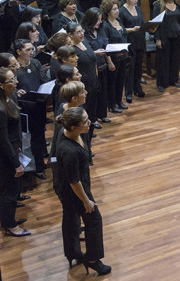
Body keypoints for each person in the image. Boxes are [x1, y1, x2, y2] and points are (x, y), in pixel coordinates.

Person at [54, 107, 111, 275]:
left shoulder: (74, 133)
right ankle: (93, 260)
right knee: (94, 220)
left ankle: (72, 253)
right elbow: (74, 181)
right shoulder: (69, 151)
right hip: (75, 191)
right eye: (85, 122)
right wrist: (86, 201)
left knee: (71, 219)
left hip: (74, 186)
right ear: (73, 127)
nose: (89, 123)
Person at [13, 39, 50, 179]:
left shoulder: (35, 63)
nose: (31, 52)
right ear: (18, 52)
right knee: (26, 140)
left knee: (39, 137)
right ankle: (28, 169)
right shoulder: (14, 68)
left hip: (38, 105)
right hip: (23, 109)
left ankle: (40, 166)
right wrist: (16, 92)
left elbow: (43, 81)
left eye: (32, 49)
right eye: (27, 49)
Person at [0, 67, 29, 236]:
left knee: (10, 189)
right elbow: (2, 140)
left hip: (12, 148)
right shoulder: (1, 109)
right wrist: (16, 163)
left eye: (14, 78)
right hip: (6, 157)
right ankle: (10, 225)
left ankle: (8, 218)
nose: (15, 82)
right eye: (11, 80)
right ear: (1, 85)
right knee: (9, 191)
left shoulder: (8, 99)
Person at [66, 22, 100, 150]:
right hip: (81, 89)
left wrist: (96, 78)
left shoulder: (85, 43)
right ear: (70, 35)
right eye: (78, 32)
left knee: (91, 116)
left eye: (82, 31)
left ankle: (88, 144)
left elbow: (93, 62)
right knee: (82, 118)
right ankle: (82, 146)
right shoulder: (71, 49)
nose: (81, 34)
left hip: (93, 84)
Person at [152, 0, 180, 92]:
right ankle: (161, 83)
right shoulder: (158, 5)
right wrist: (158, 38)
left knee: (174, 59)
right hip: (164, 37)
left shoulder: (177, 4)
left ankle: (173, 80)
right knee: (163, 61)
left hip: (176, 35)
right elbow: (155, 24)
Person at [81, 8, 109, 125]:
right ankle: (93, 119)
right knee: (93, 94)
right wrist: (95, 52)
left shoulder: (101, 30)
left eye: (101, 19)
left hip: (103, 64)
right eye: (97, 19)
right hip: (92, 68)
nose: (100, 22)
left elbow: (106, 45)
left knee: (103, 92)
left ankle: (102, 114)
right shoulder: (84, 34)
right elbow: (85, 50)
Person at [101, 0, 129, 112]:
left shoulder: (119, 21)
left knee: (121, 80)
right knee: (112, 82)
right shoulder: (105, 25)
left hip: (123, 56)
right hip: (113, 58)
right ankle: (112, 105)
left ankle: (119, 101)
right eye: (114, 9)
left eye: (117, 8)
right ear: (108, 11)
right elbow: (105, 44)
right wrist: (109, 61)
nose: (117, 11)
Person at [119, 0, 145, 100]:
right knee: (130, 68)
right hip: (129, 42)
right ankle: (128, 92)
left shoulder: (138, 9)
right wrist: (132, 29)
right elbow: (120, 28)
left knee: (138, 66)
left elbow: (143, 23)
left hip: (140, 40)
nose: (135, 0)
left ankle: (137, 87)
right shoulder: (122, 11)